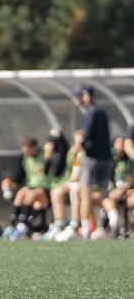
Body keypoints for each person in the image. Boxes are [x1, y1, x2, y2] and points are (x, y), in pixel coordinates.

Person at [73, 84, 112, 240]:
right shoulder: (102, 112)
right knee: (104, 195)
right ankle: (114, 221)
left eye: (78, 96)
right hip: (106, 159)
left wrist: (77, 147)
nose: (75, 99)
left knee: (85, 195)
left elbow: (86, 136)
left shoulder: (90, 112)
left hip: (92, 159)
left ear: (86, 96)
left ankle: (86, 230)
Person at [1, 136, 51, 240]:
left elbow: (55, 166)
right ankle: (12, 226)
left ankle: (22, 226)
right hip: (32, 187)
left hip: (47, 188)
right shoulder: (25, 157)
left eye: (28, 149)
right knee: (21, 193)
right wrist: (9, 186)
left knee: (31, 195)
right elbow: (20, 176)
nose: (26, 152)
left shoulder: (46, 153)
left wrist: (43, 166)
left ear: (34, 147)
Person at [36, 129, 79, 241]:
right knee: (55, 192)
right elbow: (46, 172)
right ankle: (58, 224)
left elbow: (74, 171)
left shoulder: (70, 153)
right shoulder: (51, 155)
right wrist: (47, 157)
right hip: (55, 188)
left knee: (62, 191)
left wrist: (68, 182)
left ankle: (74, 225)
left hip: (69, 185)